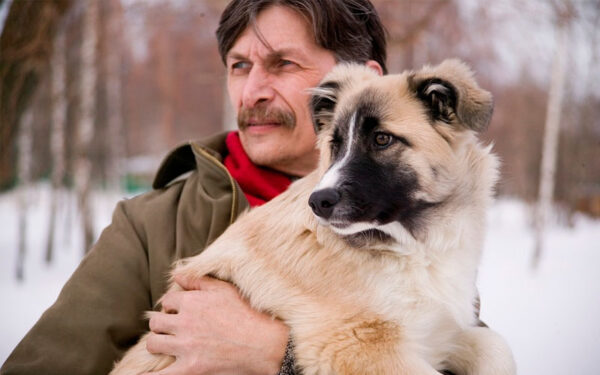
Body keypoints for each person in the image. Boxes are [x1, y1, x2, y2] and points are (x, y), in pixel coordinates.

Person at [0, 1, 387, 374]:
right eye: (239, 66)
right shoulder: (151, 228)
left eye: (282, 64)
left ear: (364, 80)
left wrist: (283, 357)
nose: (252, 92)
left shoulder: (432, 227)